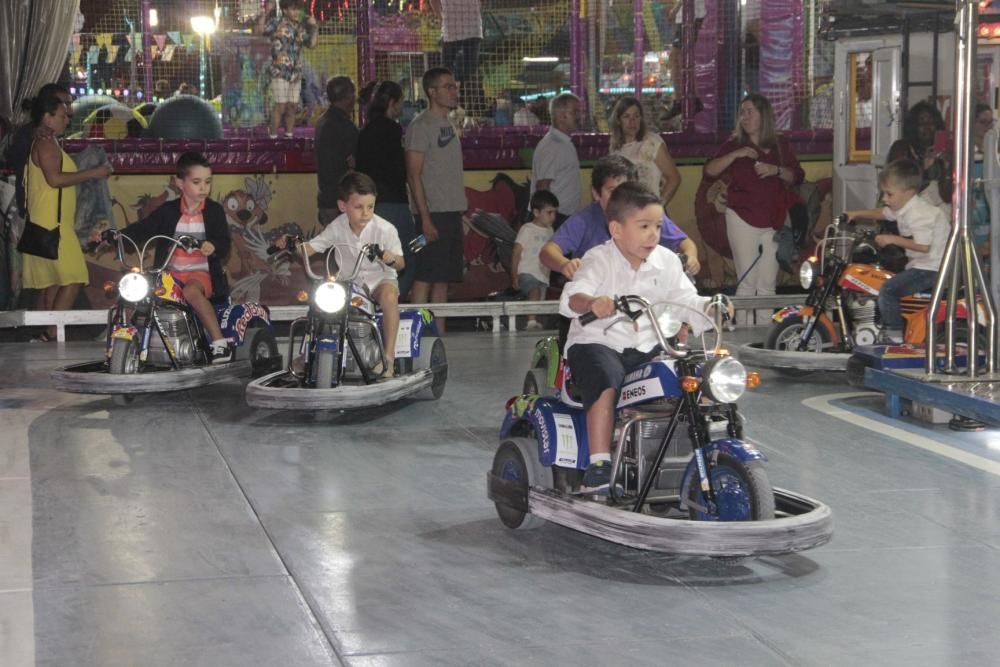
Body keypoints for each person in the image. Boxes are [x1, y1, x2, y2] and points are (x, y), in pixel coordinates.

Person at [560, 183, 722, 493]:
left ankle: (693, 451)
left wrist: (711, 307)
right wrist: (592, 302)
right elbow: (573, 297)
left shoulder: (668, 261)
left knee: (695, 375)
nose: (653, 235)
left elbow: (686, 299)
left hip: (650, 344)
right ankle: (599, 463)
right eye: (644, 226)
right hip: (599, 342)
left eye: (658, 227)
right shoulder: (598, 258)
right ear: (617, 230)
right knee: (605, 378)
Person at [92, 152, 233, 361]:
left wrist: (213, 246)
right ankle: (122, 338)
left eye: (207, 182)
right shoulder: (168, 211)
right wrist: (114, 236)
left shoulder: (214, 211)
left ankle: (220, 343)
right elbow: (143, 228)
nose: (203, 187)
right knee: (133, 293)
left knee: (192, 293)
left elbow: (224, 241)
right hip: (168, 274)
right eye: (196, 182)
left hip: (199, 273)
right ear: (179, 183)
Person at [275, 172, 404, 374]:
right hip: (350, 283)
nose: (366, 213)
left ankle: (388, 358)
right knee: (318, 304)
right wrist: (292, 243)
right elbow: (310, 248)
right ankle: (308, 353)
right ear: (343, 206)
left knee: (389, 296)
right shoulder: (337, 227)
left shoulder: (386, 229)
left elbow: (401, 263)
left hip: (380, 279)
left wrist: (391, 258)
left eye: (370, 207)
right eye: (359, 207)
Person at [704, 93, 804, 326]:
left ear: (764, 115)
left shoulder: (780, 144)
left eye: (750, 111)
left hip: (774, 221)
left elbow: (797, 176)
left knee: (767, 283)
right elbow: (710, 171)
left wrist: (775, 170)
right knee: (747, 281)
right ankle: (744, 334)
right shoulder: (734, 144)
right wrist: (736, 154)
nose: (744, 116)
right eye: (742, 112)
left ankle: (764, 335)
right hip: (741, 217)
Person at [22, 85, 112, 342]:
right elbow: (55, 179)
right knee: (74, 277)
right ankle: (50, 333)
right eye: (63, 115)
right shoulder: (46, 144)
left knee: (53, 283)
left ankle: (45, 334)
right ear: (48, 117)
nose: (67, 119)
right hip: (54, 226)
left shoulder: (45, 142)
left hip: (47, 223)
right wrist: (93, 173)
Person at [540, 154, 698, 281]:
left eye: (626, 189)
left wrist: (690, 258)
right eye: (612, 190)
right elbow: (548, 251)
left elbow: (685, 243)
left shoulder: (647, 214)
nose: (620, 197)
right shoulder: (584, 219)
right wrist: (564, 264)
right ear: (596, 193)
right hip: (596, 295)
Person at [845, 159, 949, 344]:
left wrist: (892, 239)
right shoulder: (904, 206)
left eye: (889, 194)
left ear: (908, 192)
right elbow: (883, 213)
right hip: (922, 266)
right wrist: (856, 213)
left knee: (889, 289)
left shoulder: (919, 213)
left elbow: (923, 246)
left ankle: (893, 336)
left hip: (932, 269)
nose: (885, 198)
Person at [405, 67, 467, 332]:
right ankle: (414, 332)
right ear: (432, 92)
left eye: (454, 86)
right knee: (425, 274)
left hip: (452, 211)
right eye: (448, 87)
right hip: (432, 214)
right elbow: (413, 175)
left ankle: (440, 331)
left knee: (443, 277)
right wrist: (425, 218)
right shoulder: (421, 126)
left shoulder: (448, 124)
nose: (454, 91)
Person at [357, 80, 417, 301]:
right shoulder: (392, 130)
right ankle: (393, 300)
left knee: (374, 257)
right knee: (407, 254)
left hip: (371, 204)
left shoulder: (364, 132)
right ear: (393, 103)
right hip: (394, 202)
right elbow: (399, 169)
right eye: (400, 102)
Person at [256, 0, 318, 138]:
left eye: (298, 10)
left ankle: (289, 136)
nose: (296, 13)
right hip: (280, 71)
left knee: (292, 106)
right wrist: (266, 12)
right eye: (293, 9)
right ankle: (272, 137)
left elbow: (312, 44)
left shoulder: (301, 27)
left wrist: (314, 27)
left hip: (295, 73)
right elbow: (260, 30)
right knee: (281, 105)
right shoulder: (277, 23)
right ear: (285, 10)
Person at [609, 95, 682, 209]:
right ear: (618, 120)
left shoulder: (651, 142)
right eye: (626, 116)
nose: (632, 121)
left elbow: (674, 178)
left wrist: (658, 207)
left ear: (641, 119)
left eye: (636, 116)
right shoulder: (616, 149)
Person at [531, 92, 582, 223]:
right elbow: (542, 186)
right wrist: (546, 224)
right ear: (561, 116)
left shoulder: (562, 143)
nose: (579, 116)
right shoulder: (553, 145)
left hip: (560, 217)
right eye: (575, 112)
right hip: (555, 219)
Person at [512, 190, 558, 330]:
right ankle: (531, 323)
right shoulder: (527, 229)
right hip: (527, 272)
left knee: (538, 302)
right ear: (536, 212)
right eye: (549, 212)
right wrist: (514, 275)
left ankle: (530, 322)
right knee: (535, 291)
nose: (553, 217)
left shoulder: (550, 231)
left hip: (543, 275)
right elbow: (516, 252)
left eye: (554, 212)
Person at [315, 76, 358, 226]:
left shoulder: (322, 122)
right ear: (348, 97)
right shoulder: (343, 126)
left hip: (327, 198)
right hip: (342, 200)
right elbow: (353, 162)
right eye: (353, 93)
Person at [429, 0, 484, 117]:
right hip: (470, 27)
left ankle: (452, 110)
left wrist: (441, 17)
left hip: (452, 28)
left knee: (446, 74)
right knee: (470, 75)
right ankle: (468, 113)